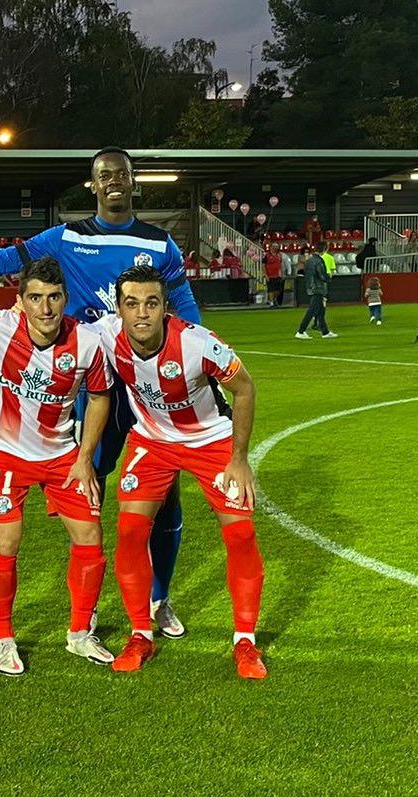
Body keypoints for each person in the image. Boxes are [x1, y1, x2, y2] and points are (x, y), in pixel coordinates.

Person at [0, 146, 202, 640]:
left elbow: (186, 307)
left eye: (121, 174)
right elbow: (2, 260)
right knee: (91, 485)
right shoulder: (65, 237)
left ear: (134, 182)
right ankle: (88, 608)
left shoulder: (160, 244)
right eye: (103, 175)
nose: (112, 181)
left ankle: (159, 597)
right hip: (95, 382)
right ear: (93, 185)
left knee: (165, 494)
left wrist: (195, 358)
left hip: (150, 385)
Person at [91, 265, 267, 680]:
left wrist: (239, 459)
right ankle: (140, 633)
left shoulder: (197, 343)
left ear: (165, 307)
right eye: (131, 304)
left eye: (151, 303)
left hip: (211, 441)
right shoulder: (103, 335)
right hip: (153, 441)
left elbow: (244, 389)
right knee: (131, 531)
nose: (141, 314)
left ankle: (245, 641)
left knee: (240, 533)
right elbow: (46, 324)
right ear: (119, 309)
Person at [0, 258, 114, 675]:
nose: (46, 308)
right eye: (35, 298)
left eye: (54, 297)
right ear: (20, 301)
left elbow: (101, 397)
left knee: (90, 538)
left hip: (61, 457)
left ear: (65, 299)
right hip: (5, 453)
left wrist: (85, 456)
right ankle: (2, 638)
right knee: (6, 542)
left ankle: (79, 634)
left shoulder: (86, 343)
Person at [295, 242, 338, 339]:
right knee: (312, 310)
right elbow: (322, 275)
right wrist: (328, 278)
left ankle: (325, 332)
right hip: (318, 287)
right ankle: (301, 331)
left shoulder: (309, 260)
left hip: (311, 286)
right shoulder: (319, 261)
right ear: (325, 249)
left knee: (320, 311)